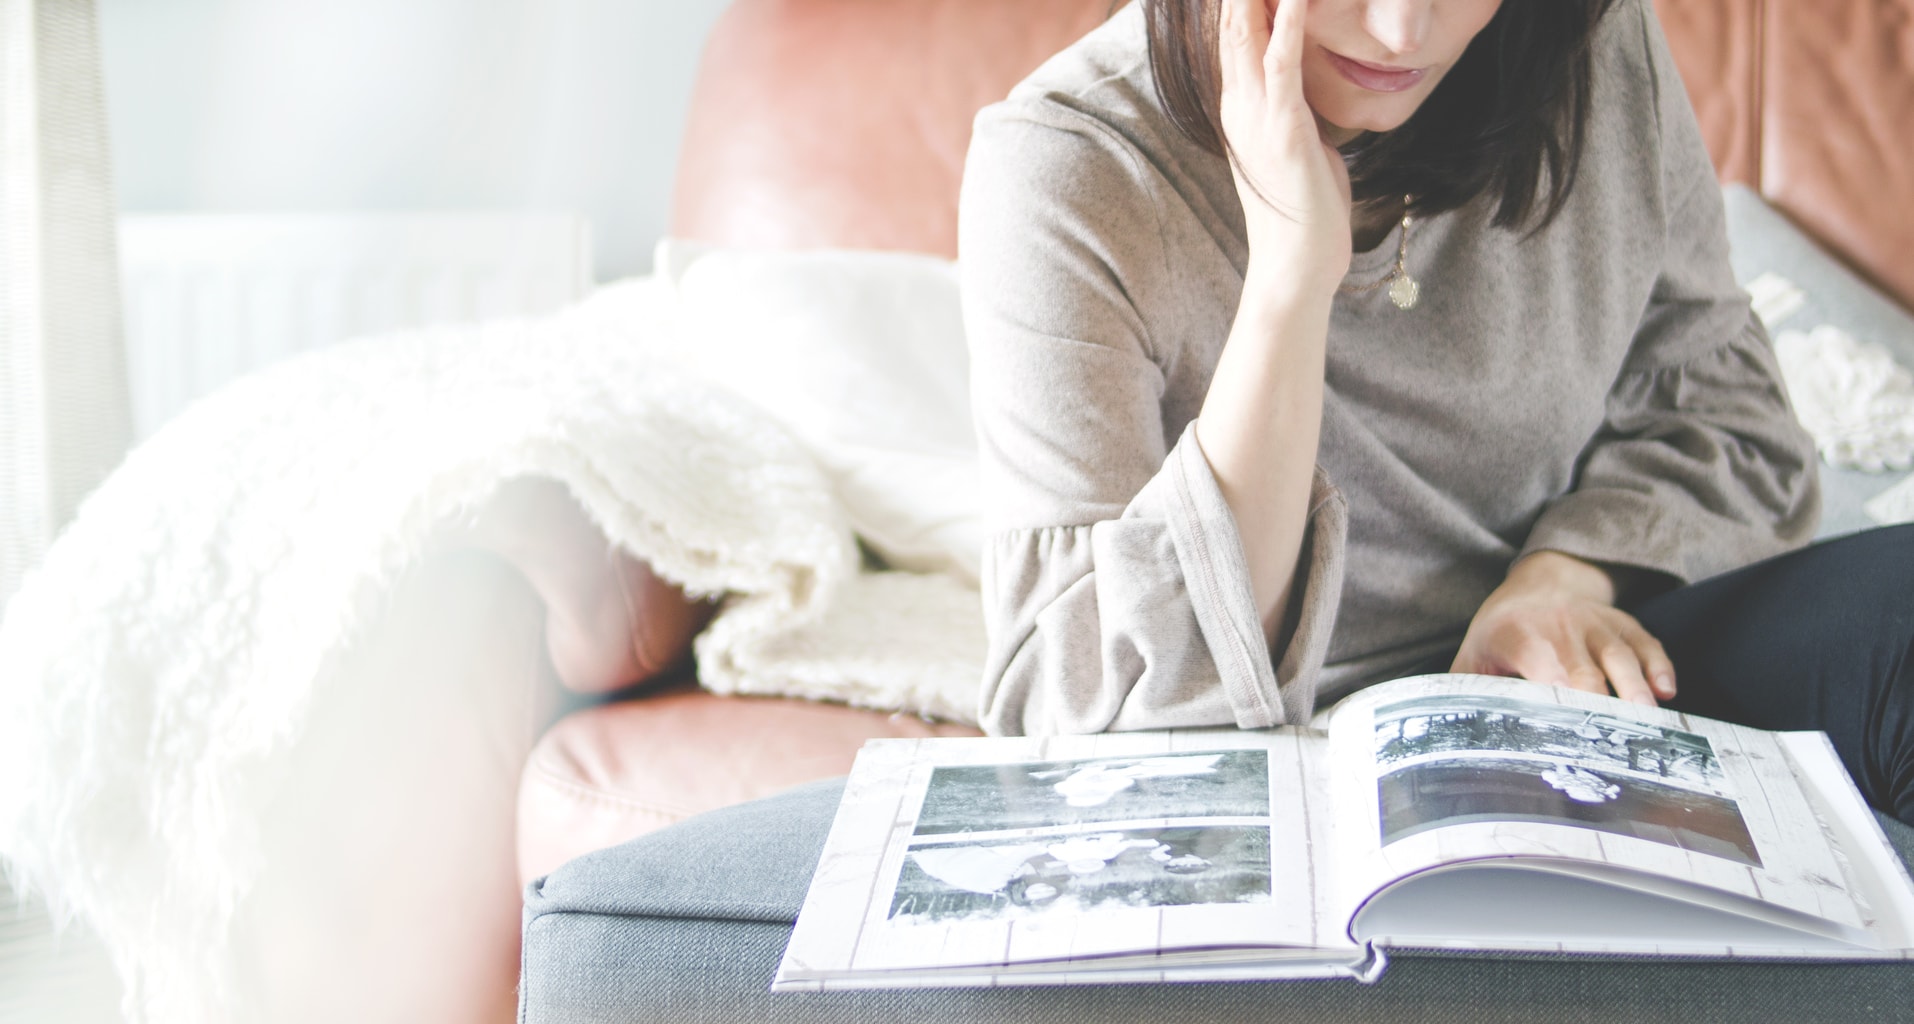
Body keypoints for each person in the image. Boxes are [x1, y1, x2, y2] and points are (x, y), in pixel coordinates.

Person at [957, 0, 1913, 823]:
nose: (1403, 31)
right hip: (1291, 772)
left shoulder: (1583, 44)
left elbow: (1727, 409)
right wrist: (1292, 277)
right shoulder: (1069, 167)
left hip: (1583, 671)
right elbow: (1089, 723)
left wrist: (1560, 583)